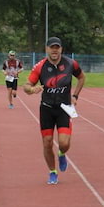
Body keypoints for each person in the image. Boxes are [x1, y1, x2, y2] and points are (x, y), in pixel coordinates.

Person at [23, 37, 86, 185]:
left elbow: (82, 78)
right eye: (52, 47)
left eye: (57, 47)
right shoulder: (40, 67)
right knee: (47, 142)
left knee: (64, 143)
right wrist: (32, 89)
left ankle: (62, 153)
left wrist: (75, 95)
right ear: (47, 49)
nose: (54, 50)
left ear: (61, 49)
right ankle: (52, 172)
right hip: (47, 109)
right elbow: (26, 85)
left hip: (64, 108)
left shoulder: (71, 64)